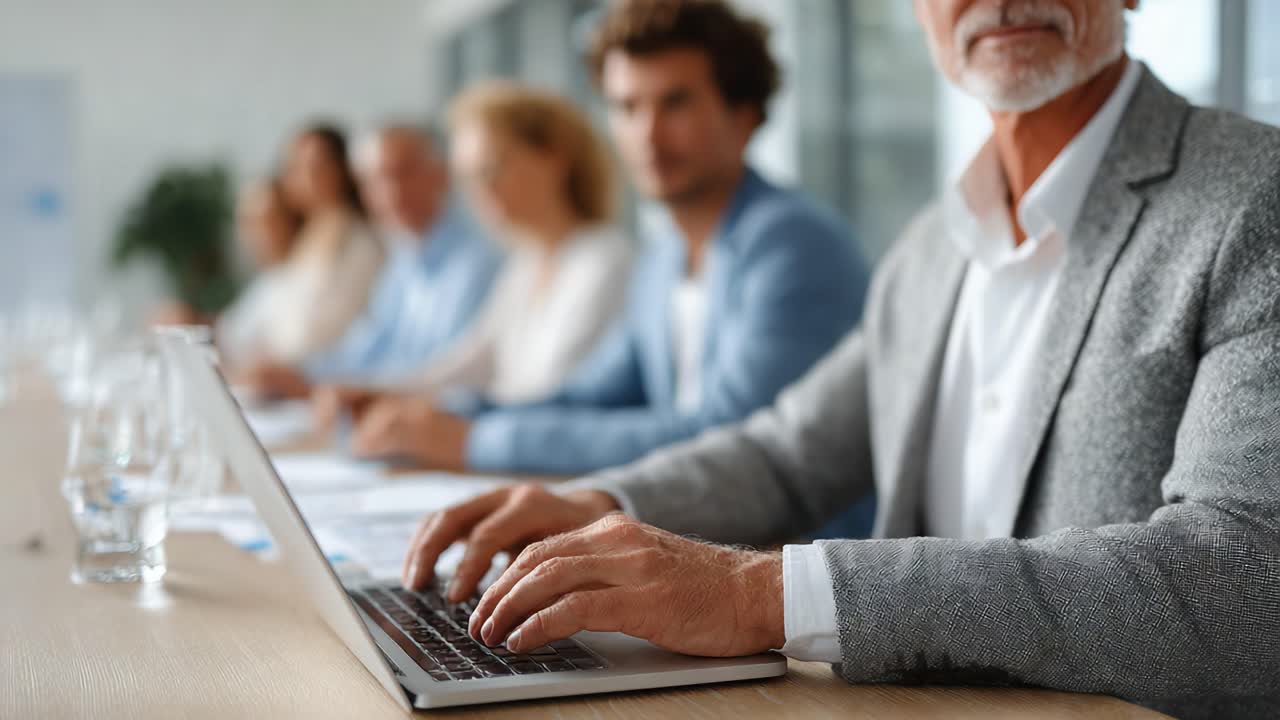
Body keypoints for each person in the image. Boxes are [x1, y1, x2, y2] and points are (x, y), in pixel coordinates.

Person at [394, 0, 1280, 717]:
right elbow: (788, 451)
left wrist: (759, 595)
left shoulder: (1251, 199)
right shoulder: (933, 245)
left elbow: (1246, 580)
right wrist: (602, 505)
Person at [347, 0, 872, 488]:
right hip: (696, 534)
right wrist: (456, 415)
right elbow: (597, 394)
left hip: (787, 562)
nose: (647, 134)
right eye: (626, 107)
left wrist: (478, 440)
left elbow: (729, 439)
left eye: (675, 104)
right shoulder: (664, 257)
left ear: (744, 115)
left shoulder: (793, 245)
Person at [318, 83, 632, 417]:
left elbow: (549, 392)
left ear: (554, 157)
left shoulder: (603, 260)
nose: (480, 191)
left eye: (492, 168)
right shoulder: (524, 264)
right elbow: (471, 363)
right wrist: (378, 394)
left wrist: (447, 424)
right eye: (468, 177)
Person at [249, 124, 502, 397]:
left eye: (402, 173)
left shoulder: (477, 262)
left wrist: (321, 385)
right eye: (374, 180)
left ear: (441, 174)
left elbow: (447, 377)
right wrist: (301, 374)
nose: (390, 192)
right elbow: (367, 349)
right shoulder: (404, 260)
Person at [215, 178, 304, 369]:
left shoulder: (303, 276)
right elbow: (231, 333)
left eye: (265, 220)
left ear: (289, 219)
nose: (255, 233)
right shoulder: (267, 280)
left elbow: (288, 351)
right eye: (247, 223)